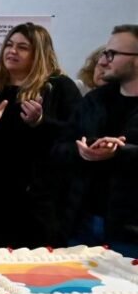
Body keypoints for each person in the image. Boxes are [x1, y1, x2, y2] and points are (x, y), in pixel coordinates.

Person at [0, 23, 80, 249]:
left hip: (35, 202)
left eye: (22, 47)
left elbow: (75, 135)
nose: (12, 51)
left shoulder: (58, 88)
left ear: (39, 54)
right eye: (9, 44)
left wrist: (40, 123)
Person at [57, 25, 138, 257]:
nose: (103, 60)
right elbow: (59, 147)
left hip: (130, 230)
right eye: (105, 52)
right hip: (83, 223)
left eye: (112, 54)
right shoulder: (94, 101)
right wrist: (84, 148)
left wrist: (119, 152)